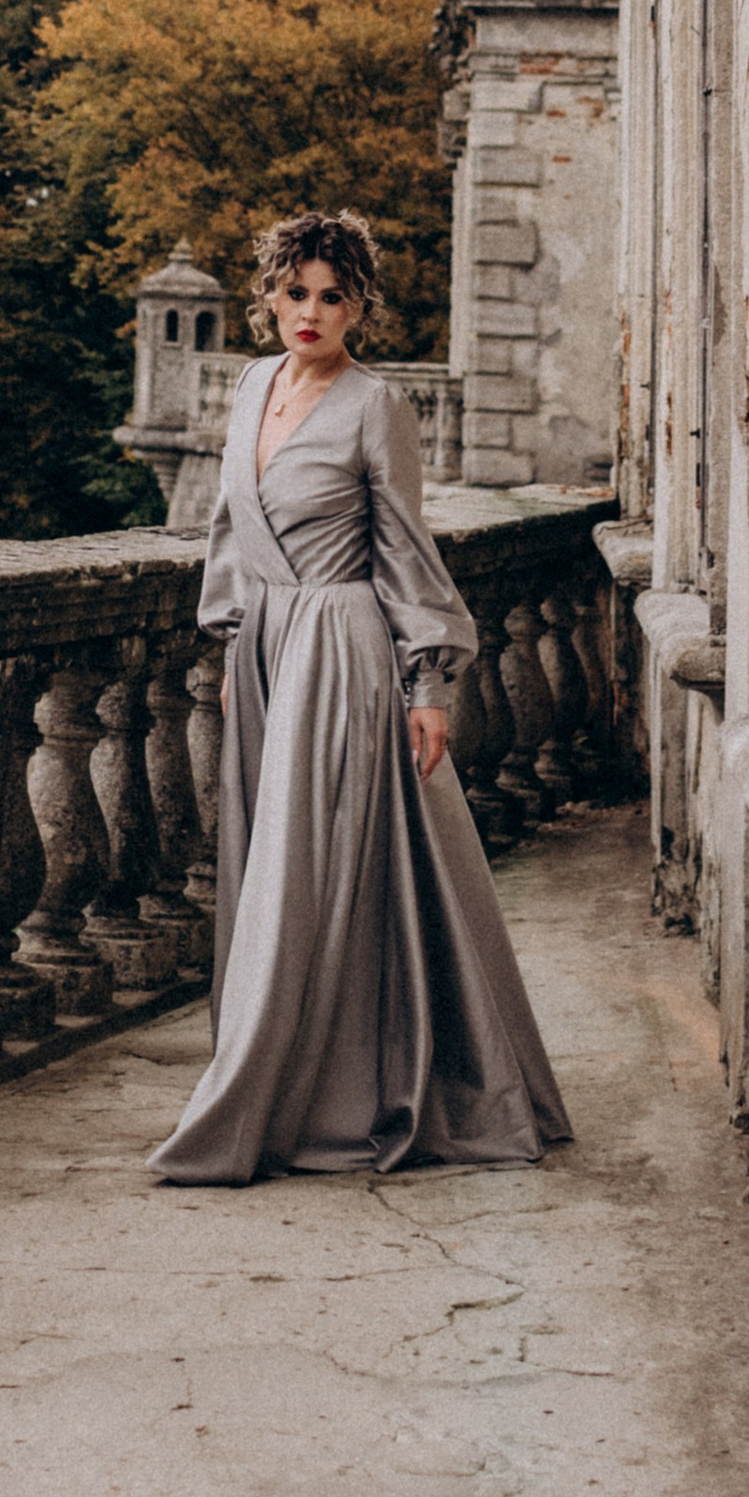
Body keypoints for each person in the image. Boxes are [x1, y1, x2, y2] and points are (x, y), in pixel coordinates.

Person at [147, 208, 572, 1185]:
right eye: (295, 291)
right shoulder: (251, 384)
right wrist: (223, 639)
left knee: (317, 865)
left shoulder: (376, 405)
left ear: (360, 308)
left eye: (332, 295)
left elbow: (404, 550)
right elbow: (225, 521)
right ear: (267, 297)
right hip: (263, 645)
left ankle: (307, 1098)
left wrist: (426, 680)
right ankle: (291, 1076)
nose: (311, 310)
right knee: (274, 865)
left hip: (343, 650)